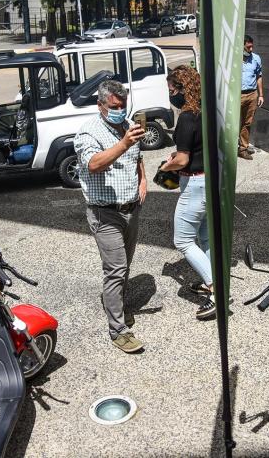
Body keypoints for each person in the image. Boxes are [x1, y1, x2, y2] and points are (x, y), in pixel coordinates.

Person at [74, 80, 148, 354]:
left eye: (123, 106)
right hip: (105, 213)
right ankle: (117, 329)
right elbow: (93, 164)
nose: (120, 110)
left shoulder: (128, 125)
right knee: (116, 270)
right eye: (114, 107)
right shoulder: (88, 133)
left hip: (130, 208)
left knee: (124, 266)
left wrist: (143, 181)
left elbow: (137, 156)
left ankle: (116, 306)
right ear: (101, 105)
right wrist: (125, 143)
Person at [158, 65, 215, 320]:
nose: (171, 94)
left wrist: (166, 165)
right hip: (209, 181)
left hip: (194, 185)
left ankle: (216, 290)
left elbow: (182, 160)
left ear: (182, 88)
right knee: (204, 238)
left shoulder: (187, 116)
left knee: (182, 240)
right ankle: (210, 279)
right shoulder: (207, 111)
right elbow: (197, 149)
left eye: (172, 89)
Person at [238, 34, 263, 160]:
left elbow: (259, 76)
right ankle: (231, 147)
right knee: (234, 122)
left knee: (247, 123)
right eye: (248, 47)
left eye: (252, 46)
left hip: (252, 94)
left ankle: (243, 148)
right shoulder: (234, 59)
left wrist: (260, 95)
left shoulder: (256, 58)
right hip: (237, 95)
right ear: (241, 46)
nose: (251, 49)